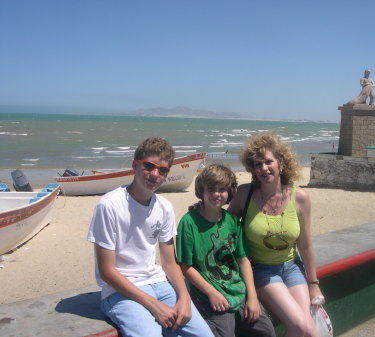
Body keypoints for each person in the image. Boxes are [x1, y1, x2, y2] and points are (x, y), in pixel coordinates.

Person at [87, 137, 214, 337]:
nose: (155, 174)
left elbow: (169, 262)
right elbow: (106, 272)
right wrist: (154, 306)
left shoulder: (164, 208)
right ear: (135, 166)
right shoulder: (109, 205)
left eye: (162, 170)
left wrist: (183, 298)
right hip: (121, 291)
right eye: (149, 166)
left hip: (159, 284)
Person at [226, 132, 324, 337]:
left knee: (310, 331)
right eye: (257, 164)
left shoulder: (300, 198)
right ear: (252, 169)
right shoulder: (245, 194)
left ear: (281, 162)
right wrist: (202, 208)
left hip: (292, 267)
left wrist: (314, 285)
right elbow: (223, 224)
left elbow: (305, 245)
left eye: (268, 162)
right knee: (300, 326)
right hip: (261, 270)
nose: (264, 168)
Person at [176, 164, 275, 337]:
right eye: (211, 189)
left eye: (222, 189)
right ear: (202, 190)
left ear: (229, 192)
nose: (216, 194)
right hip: (210, 296)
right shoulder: (189, 222)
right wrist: (211, 293)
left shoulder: (231, 221)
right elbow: (185, 266)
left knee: (266, 331)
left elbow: (243, 260)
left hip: (238, 291)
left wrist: (252, 297)